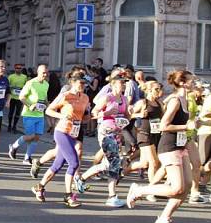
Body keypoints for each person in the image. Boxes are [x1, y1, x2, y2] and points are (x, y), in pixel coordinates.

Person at [127, 70, 195, 223]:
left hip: (180, 145)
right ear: (183, 83)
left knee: (187, 185)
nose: (195, 83)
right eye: (192, 80)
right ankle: (139, 190)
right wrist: (187, 126)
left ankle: (164, 218)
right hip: (169, 146)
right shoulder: (175, 100)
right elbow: (164, 125)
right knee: (176, 188)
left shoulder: (185, 100)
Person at [32, 72, 89, 207]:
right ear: (73, 83)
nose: (83, 85)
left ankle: (39, 187)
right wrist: (61, 116)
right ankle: (68, 196)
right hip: (62, 132)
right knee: (74, 163)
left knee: (57, 165)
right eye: (80, 83)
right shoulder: (65, 96)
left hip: (73, 133)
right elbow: (48, 110)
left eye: (84, 83)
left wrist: (95, 116)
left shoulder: (85, 98)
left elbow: (84, 117)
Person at [73, 73, 130, 208]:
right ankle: (111, 196)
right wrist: (106, 113)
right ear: (114, 84)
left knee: (107, 165)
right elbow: (94, 113)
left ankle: (81, 179)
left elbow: (126, 115)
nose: (124, 85)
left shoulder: (124, 99)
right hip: (106, 131)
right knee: (114, 163)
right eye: (121, 82)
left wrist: (128, 116)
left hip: (117, 132)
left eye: (124, 83)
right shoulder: (107, 98)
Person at [9, 65, 49, 167]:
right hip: (29, 114)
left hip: (40, 114)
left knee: (37, 137)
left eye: (46, 73)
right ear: (38, 72)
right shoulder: (31, 83)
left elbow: (44, 98)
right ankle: (13, 146)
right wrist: (30, 105)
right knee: (30, 136)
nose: (45, 75)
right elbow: (21, 96)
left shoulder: (46, 84)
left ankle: (27, 158)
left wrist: (47, 105)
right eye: (43, 73)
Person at [129, 81, 164, 192]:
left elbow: (163, 118)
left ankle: (123, 170)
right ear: (149, 90)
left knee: (144, 163)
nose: (159, 91)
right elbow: (129, 116)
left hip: (156, 134)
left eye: (160, 89)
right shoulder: (143, 103)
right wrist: (139, 115)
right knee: (154, 163)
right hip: (144, 135)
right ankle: (151, 190)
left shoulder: (160, 103)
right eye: (156, 89)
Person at [7, 64, 28, 132]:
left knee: (17, 113)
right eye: (17, 68)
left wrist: (23, 89)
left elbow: (26, 86)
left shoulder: (24, 77)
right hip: (12, 97)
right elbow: (7, 86)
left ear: (21, 69)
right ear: (15, 69)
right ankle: (9, 125)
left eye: (20, 68)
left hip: (20, 98)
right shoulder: (11, 76)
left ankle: (14, 126)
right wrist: (12, 87)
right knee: (11, 112)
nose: (18, 69)